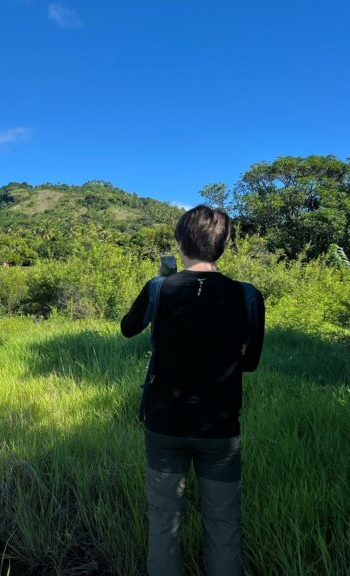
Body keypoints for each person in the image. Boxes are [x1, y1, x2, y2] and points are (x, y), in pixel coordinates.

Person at [120, 205, 265, 576]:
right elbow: (250, 363)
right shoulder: (248, 296)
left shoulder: (159, 288)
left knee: (164, 521)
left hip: (164, 425)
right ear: (223, 245)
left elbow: (128, 327)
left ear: (181, 242)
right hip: (220, 429)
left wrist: (158, 283)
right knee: (224, 523)